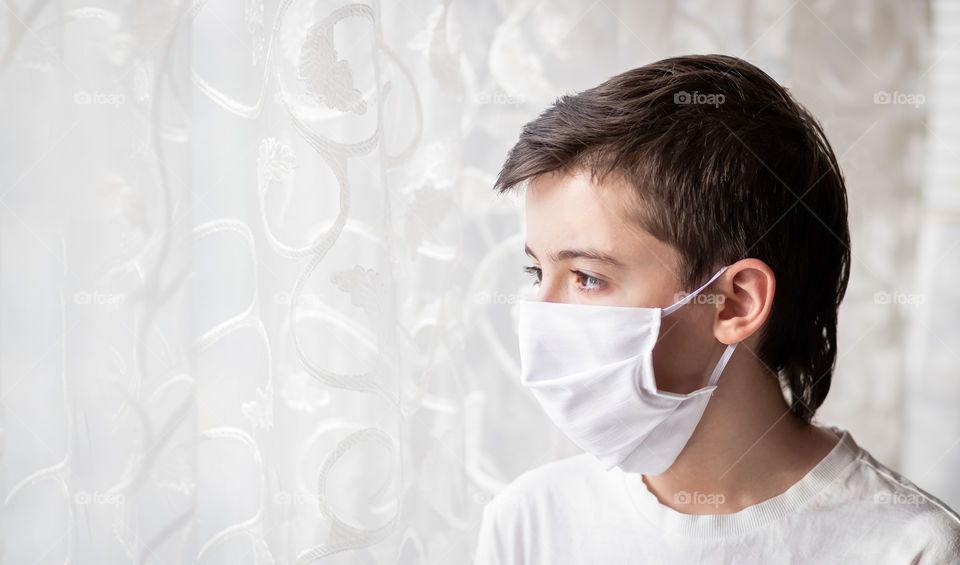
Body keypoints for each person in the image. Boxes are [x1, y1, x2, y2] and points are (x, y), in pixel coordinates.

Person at [474, 54, 960, 564]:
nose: (540, 315)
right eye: (536, 273)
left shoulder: (913, 548)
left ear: (735, 303)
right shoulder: (529, 521)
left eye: (588, 278)